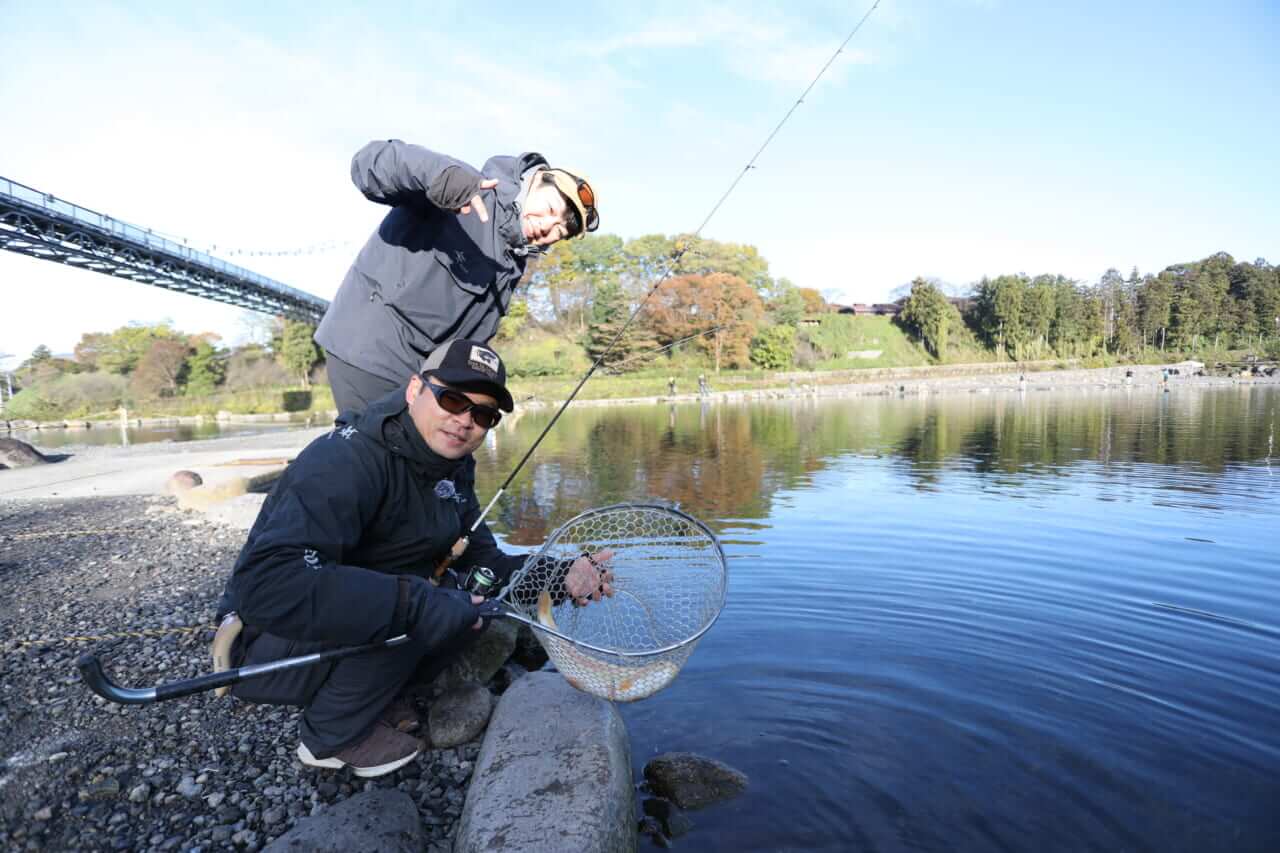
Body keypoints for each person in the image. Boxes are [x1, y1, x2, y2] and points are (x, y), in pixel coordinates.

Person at [214, 339, 613, 778]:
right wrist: (415, 603)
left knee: (466, 604)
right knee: (431, 606)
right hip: (265, 646)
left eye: (482, 415)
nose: (464, 421)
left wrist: (560, 576)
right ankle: (330, 737)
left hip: (340, 619)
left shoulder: (451, 468)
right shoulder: (345, 459)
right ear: (413, 391)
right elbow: (268, 583)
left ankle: (377, 693)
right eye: (452, 399)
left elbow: (485, 566)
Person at [315, 140, 600, 413]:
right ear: (535, 181)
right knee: (383, 453)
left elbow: (470, 341)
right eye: (549, 209)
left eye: (559, 232)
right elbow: (370, 162)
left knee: (451, 460)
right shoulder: (465, 184)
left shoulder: (513, 264)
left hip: (423, 377)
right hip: (370, 351)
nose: (546, 227)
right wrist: (440, 175)